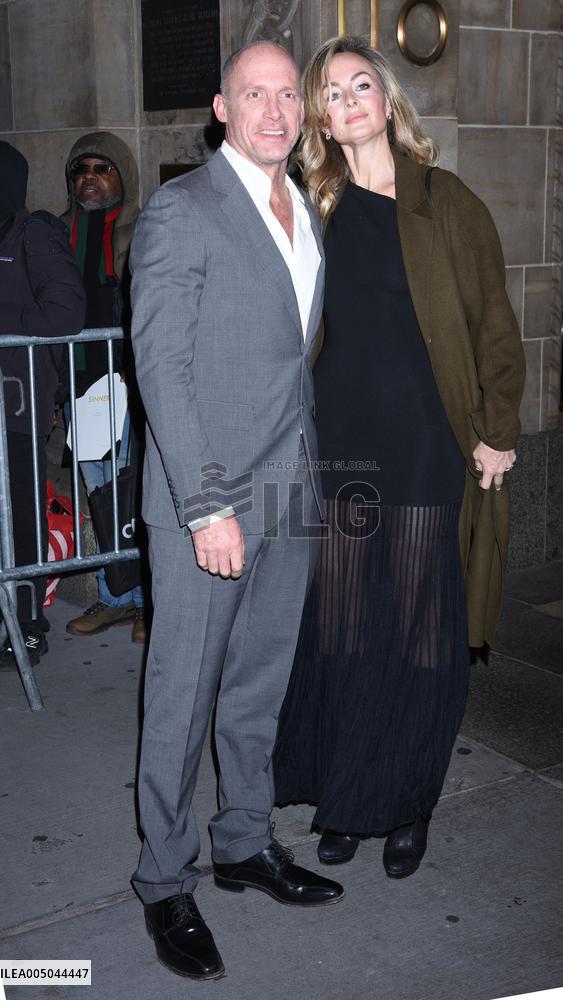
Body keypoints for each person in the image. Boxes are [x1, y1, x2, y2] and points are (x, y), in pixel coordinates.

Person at [274, 36, 526, 878]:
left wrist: (496, 429)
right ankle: (350, 796)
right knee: (346, 629)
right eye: (331, 93)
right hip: (343, 449)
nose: (346, 101)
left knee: (419, 633)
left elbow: (494, 320)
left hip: (422, 446)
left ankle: (409, 801)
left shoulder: (442, 199)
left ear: (385, 98)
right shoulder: (314, 206)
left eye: (359, 85)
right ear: (320, 116)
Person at [129, 41, 343, 982]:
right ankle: (162, 880)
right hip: (206, 497)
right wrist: (204, 505)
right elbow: (161, 368)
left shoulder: (304, 213)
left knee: (259, 682)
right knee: (182, 694)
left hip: (287, 488)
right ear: (221, 106)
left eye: (285, 94)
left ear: (301, 109)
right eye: (252, 94)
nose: (271, 111)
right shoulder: (183, 210)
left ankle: (242, 842)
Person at [0, 141, 85, 668]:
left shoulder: (33, 234)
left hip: (19, 403)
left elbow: (66, 313)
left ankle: (28, 625)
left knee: (23, 518)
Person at [61, 132, 146, 643]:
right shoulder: (53, 232)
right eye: (81, 169)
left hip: (133, 382)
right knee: (102, 494)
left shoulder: (143, 228)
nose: (90, 177)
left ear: (123, 178)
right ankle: (115, 598)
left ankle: (147, 602)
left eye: (102, 168)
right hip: (83, 387)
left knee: (141, 493)